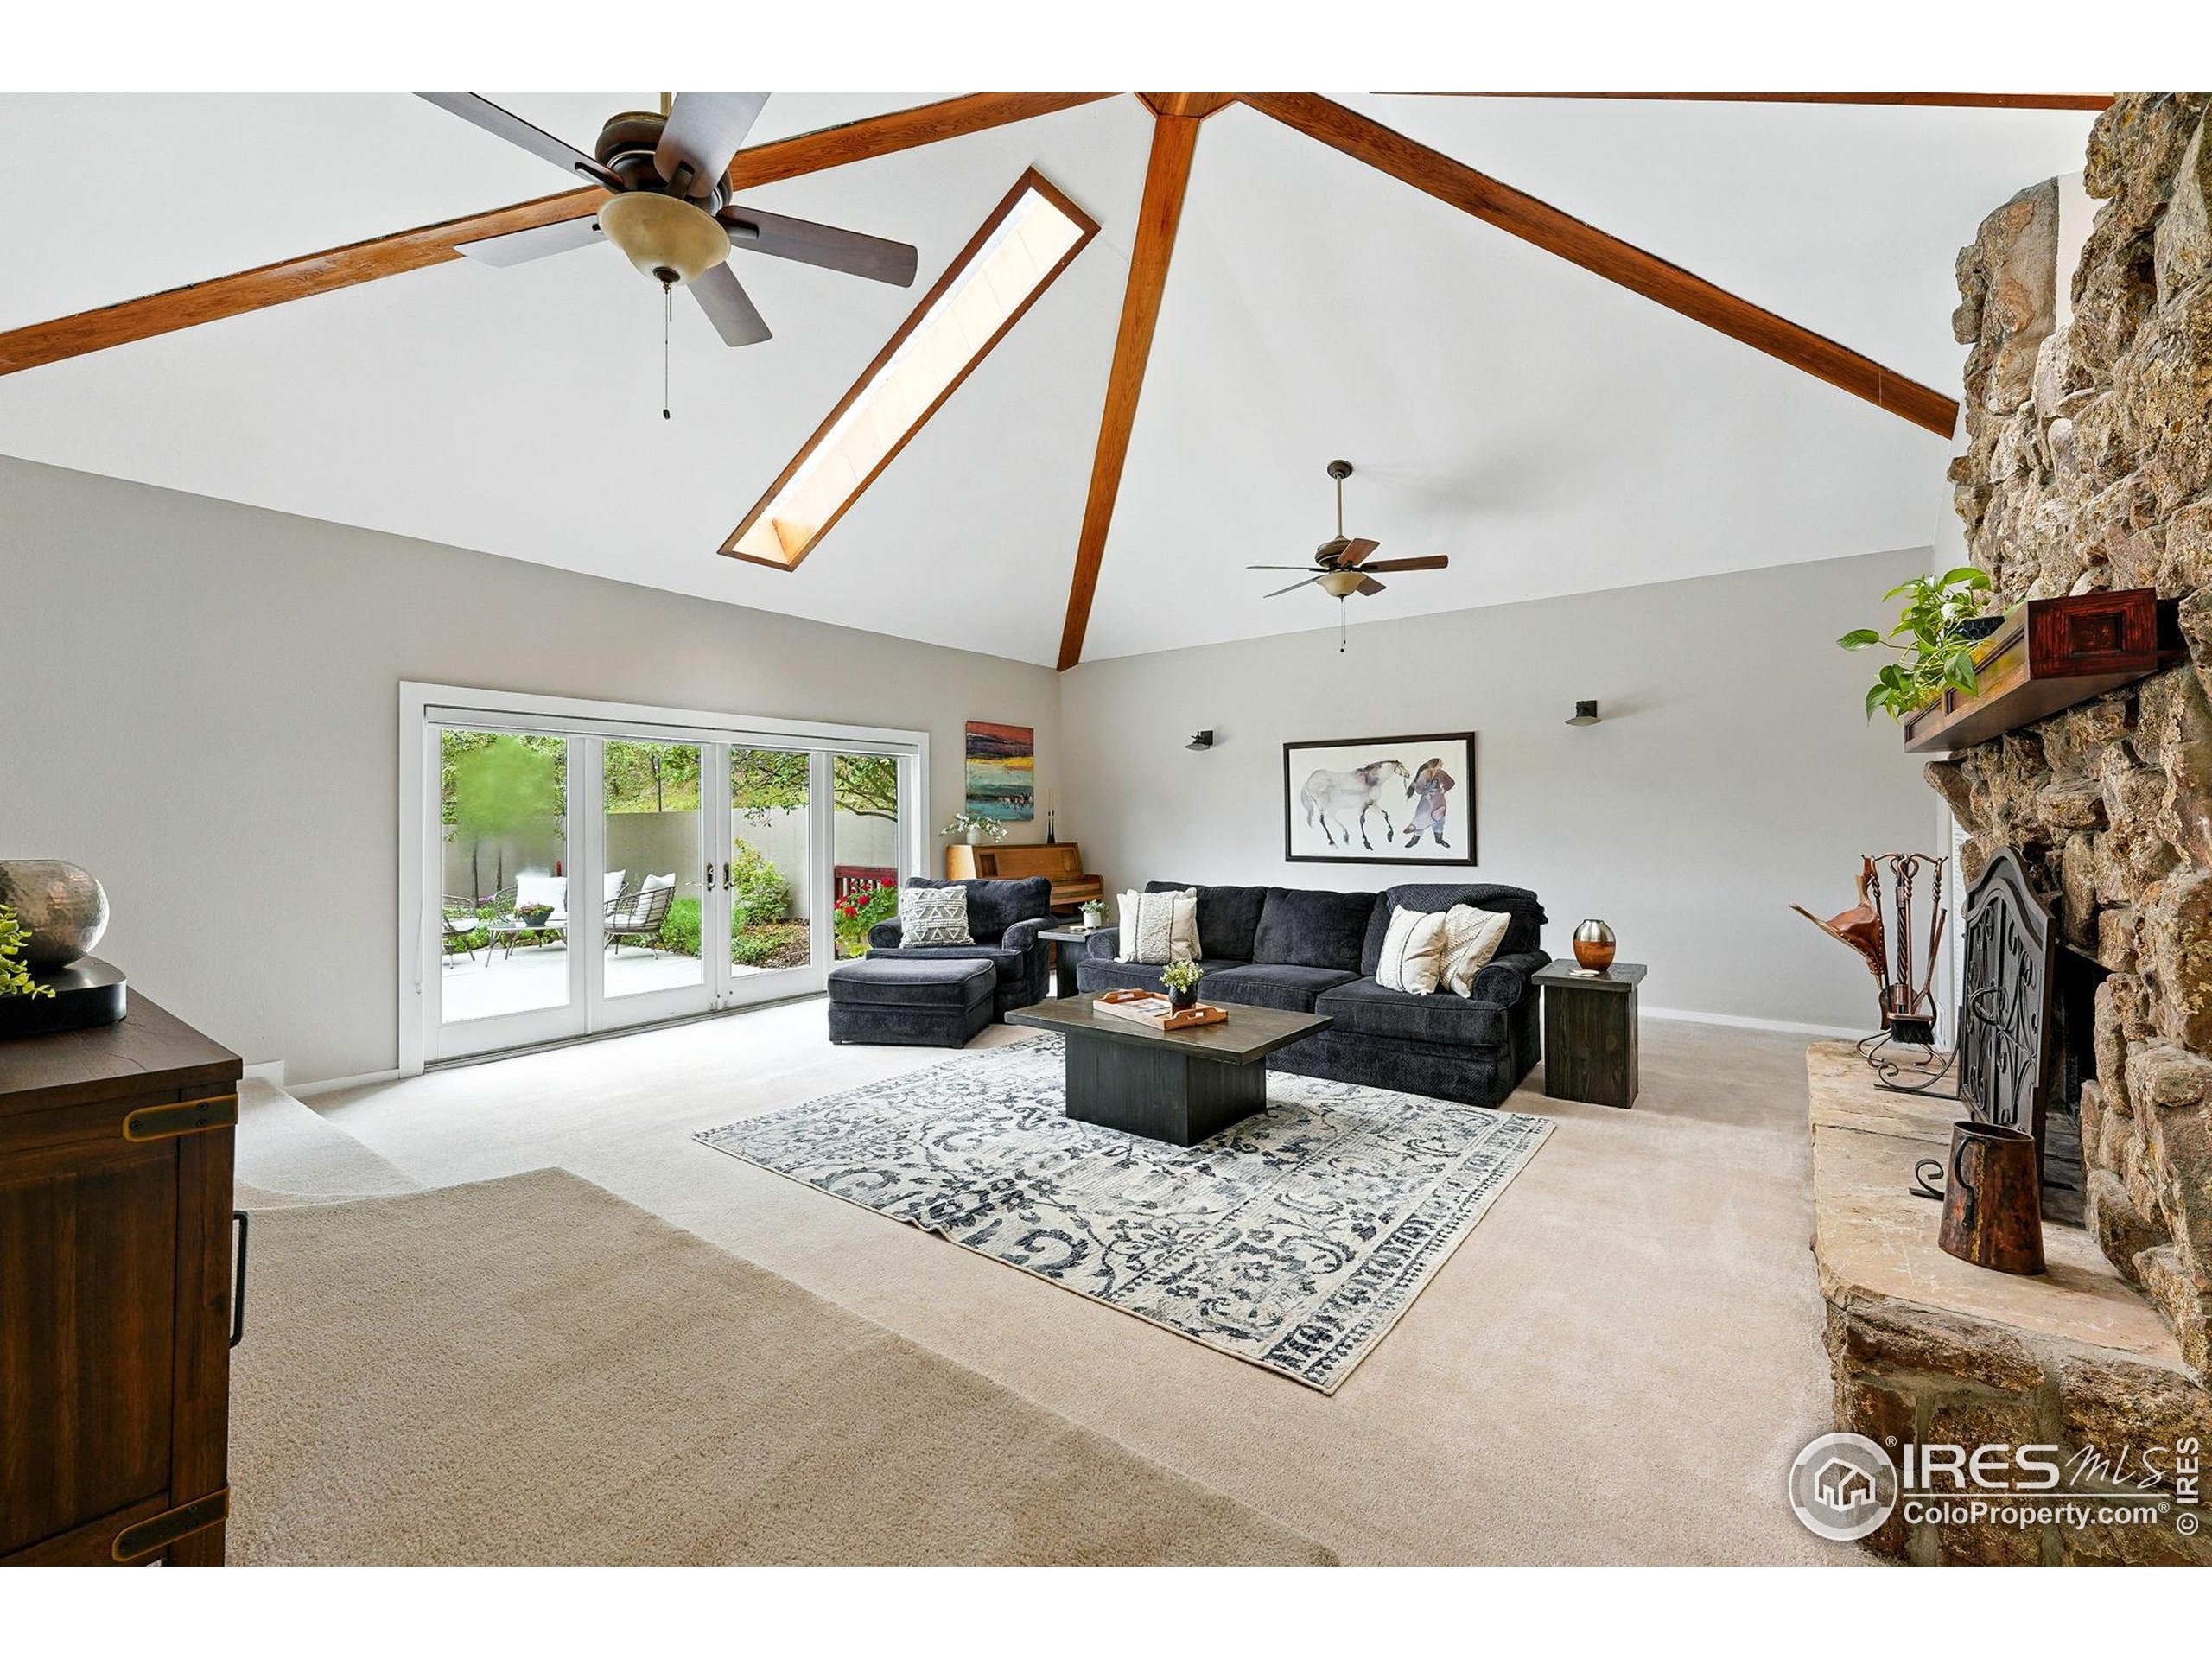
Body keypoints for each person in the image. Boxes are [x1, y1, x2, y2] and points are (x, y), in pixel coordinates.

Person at [1402, 757, 1455, 849]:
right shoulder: (1425, 773)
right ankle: (1416, 838)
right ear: (1435, 764)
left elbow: (1451, 782)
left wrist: (1444, 788)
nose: (1441, 764)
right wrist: (1426, 792)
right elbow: (1419, 789)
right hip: (1426, 799)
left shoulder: (1441, 773)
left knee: (1439, 816)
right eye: (1440, 763)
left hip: (1438, 799)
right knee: (1421, 816)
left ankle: (1438, 838)